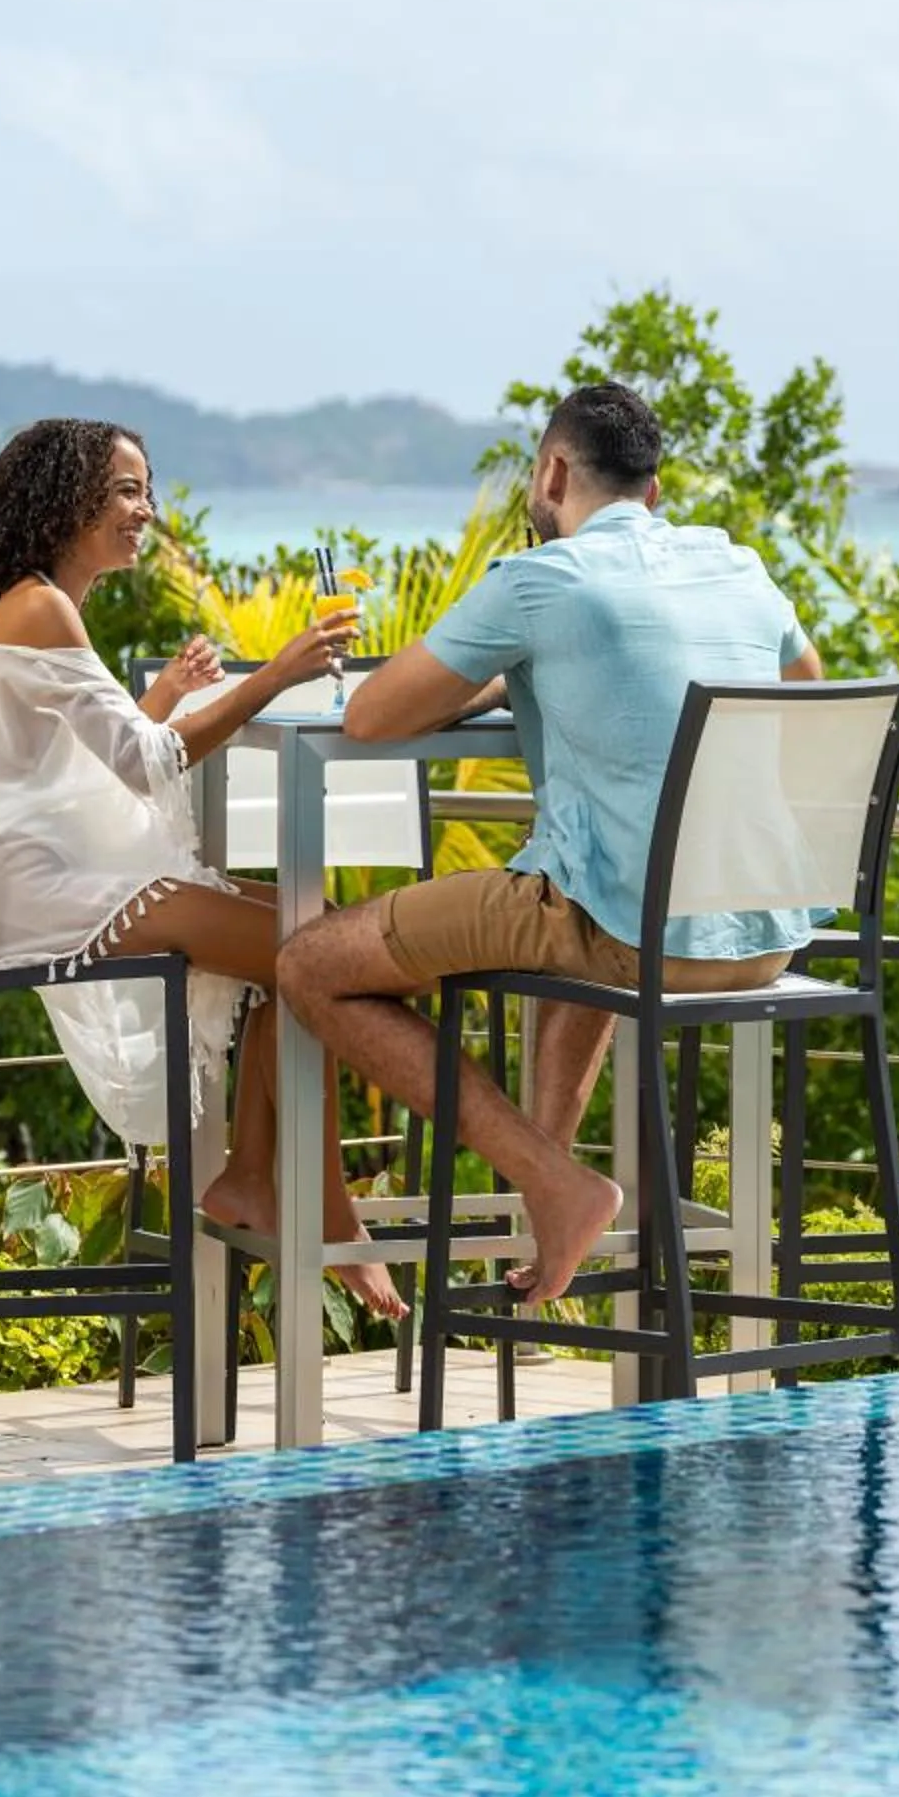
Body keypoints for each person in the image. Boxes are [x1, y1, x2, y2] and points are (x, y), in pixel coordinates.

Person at [276, 382, 824, 1303]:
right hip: (765, 940)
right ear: (654, 493)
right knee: (587, 900)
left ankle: (556, 1183)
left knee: (307, 965)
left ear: (553, 472)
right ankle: (554, 1191)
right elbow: (805, 694)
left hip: (635, 936)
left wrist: (489, 676)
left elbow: (370, 717)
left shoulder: (539, 581)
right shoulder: (738, 568)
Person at [0, 416, 404, 1318]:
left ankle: (257, 1174)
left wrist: (166, 698)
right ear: (65, 499)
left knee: (305, 924)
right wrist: (277, 675)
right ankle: (322, 1200)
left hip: (36, 873)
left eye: (146, 490)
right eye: (125, 491)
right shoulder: (40, 607)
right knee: (307, 941)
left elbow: (92, 756)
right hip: (19, 892)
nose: (146, 510)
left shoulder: (47, 605)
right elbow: (147, 764)